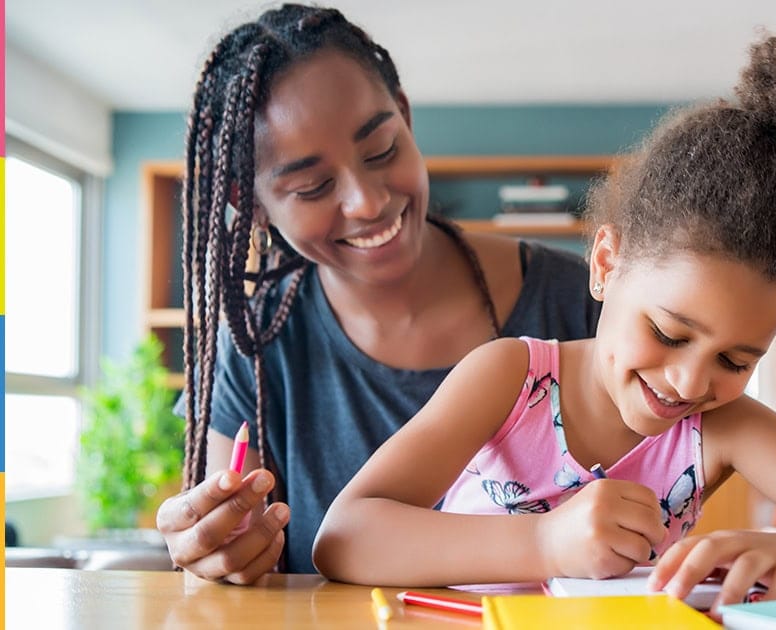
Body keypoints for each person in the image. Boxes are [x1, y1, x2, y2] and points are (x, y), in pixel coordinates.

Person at [313, 32, 776, 608]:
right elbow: (345, 537)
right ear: (606, 264)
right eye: (669, 333)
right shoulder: (510, 377)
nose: (690, 382)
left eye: (736, 360)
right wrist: (545, 542)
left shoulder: (721, 426)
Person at [153, 4, 601, 583]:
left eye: (382, 150)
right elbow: (223, 558)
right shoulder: (256, 348)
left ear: (405, 119)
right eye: (313, 186)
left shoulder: (579, 301)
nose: (367, 201)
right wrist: (216, 553)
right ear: (253, 205)